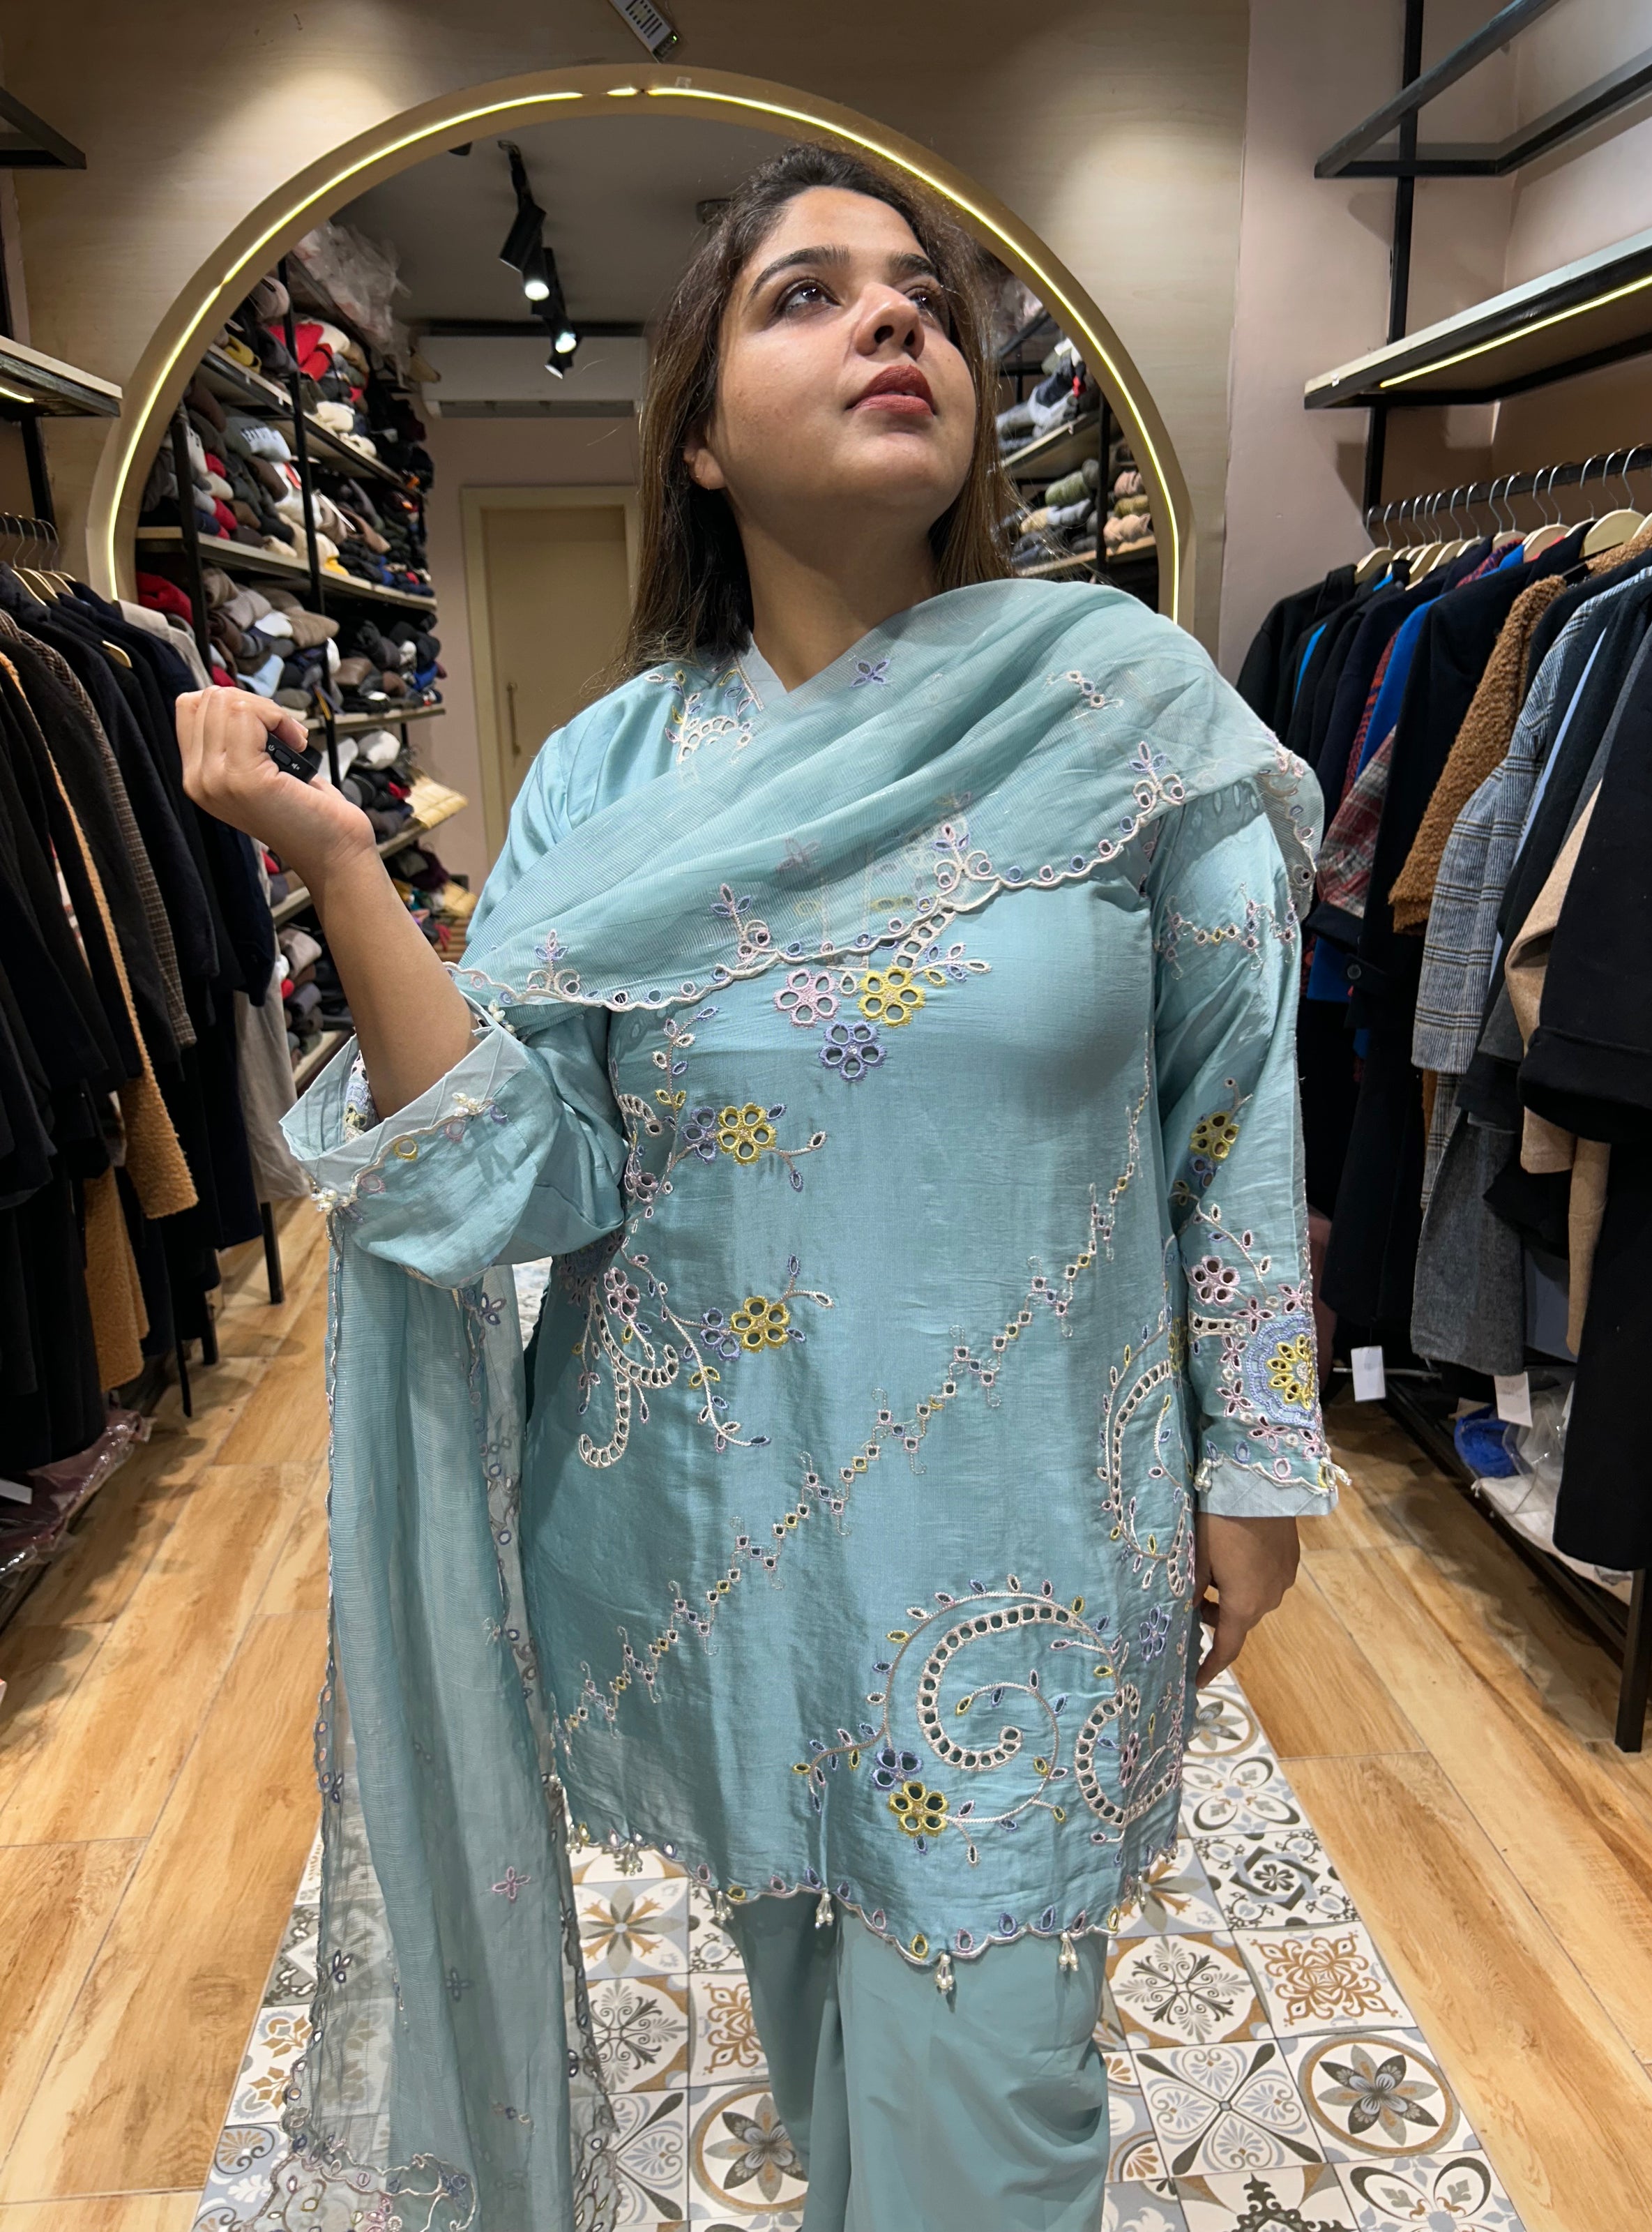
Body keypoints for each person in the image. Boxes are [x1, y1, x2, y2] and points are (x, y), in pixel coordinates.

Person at [181, 143, 1340, 2232]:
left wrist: (1256, 1462)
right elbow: (524, 1167)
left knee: (992, 2130)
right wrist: (341, 864)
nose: (896, 317)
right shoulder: (617, 776)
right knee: (827, 2066)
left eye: (923, 295)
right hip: (712, 1549)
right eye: (806, 294)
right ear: (698, 442)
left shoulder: (1118, 707)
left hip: (1023, 1555)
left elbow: (1233, 1102)